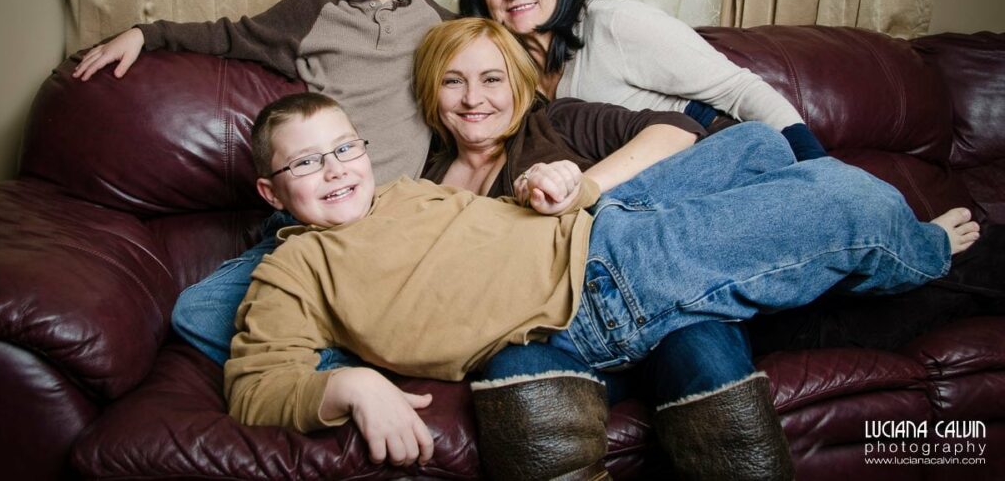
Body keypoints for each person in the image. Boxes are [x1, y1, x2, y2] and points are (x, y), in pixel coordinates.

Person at [225, 85, 977, 477]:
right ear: (269, 192)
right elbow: (256, 385)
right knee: (851, 202)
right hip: (604, 289)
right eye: (306, 162)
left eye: (344, 147)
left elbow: (474, 237)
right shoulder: (290, 269)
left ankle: (776, 255)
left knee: (753, 141)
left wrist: (534, 192)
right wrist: (353, 387)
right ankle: (925, 252)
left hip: (609, 221)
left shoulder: (404, 191)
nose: (336, 171)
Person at [71, 0, 455, 365]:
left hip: (388, 223)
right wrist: (146, 34)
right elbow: (228, 35)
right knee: (196, 310)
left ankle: (347, 345)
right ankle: (338, 372)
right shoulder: (313, 11)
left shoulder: (435, 21)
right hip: (309, 219)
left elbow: (495, 58)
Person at [457, 0, 827, 161]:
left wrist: (815, 168)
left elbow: (740, 89)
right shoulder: (501, 74)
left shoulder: (616, 25)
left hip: (716, 149)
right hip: (642, 195)